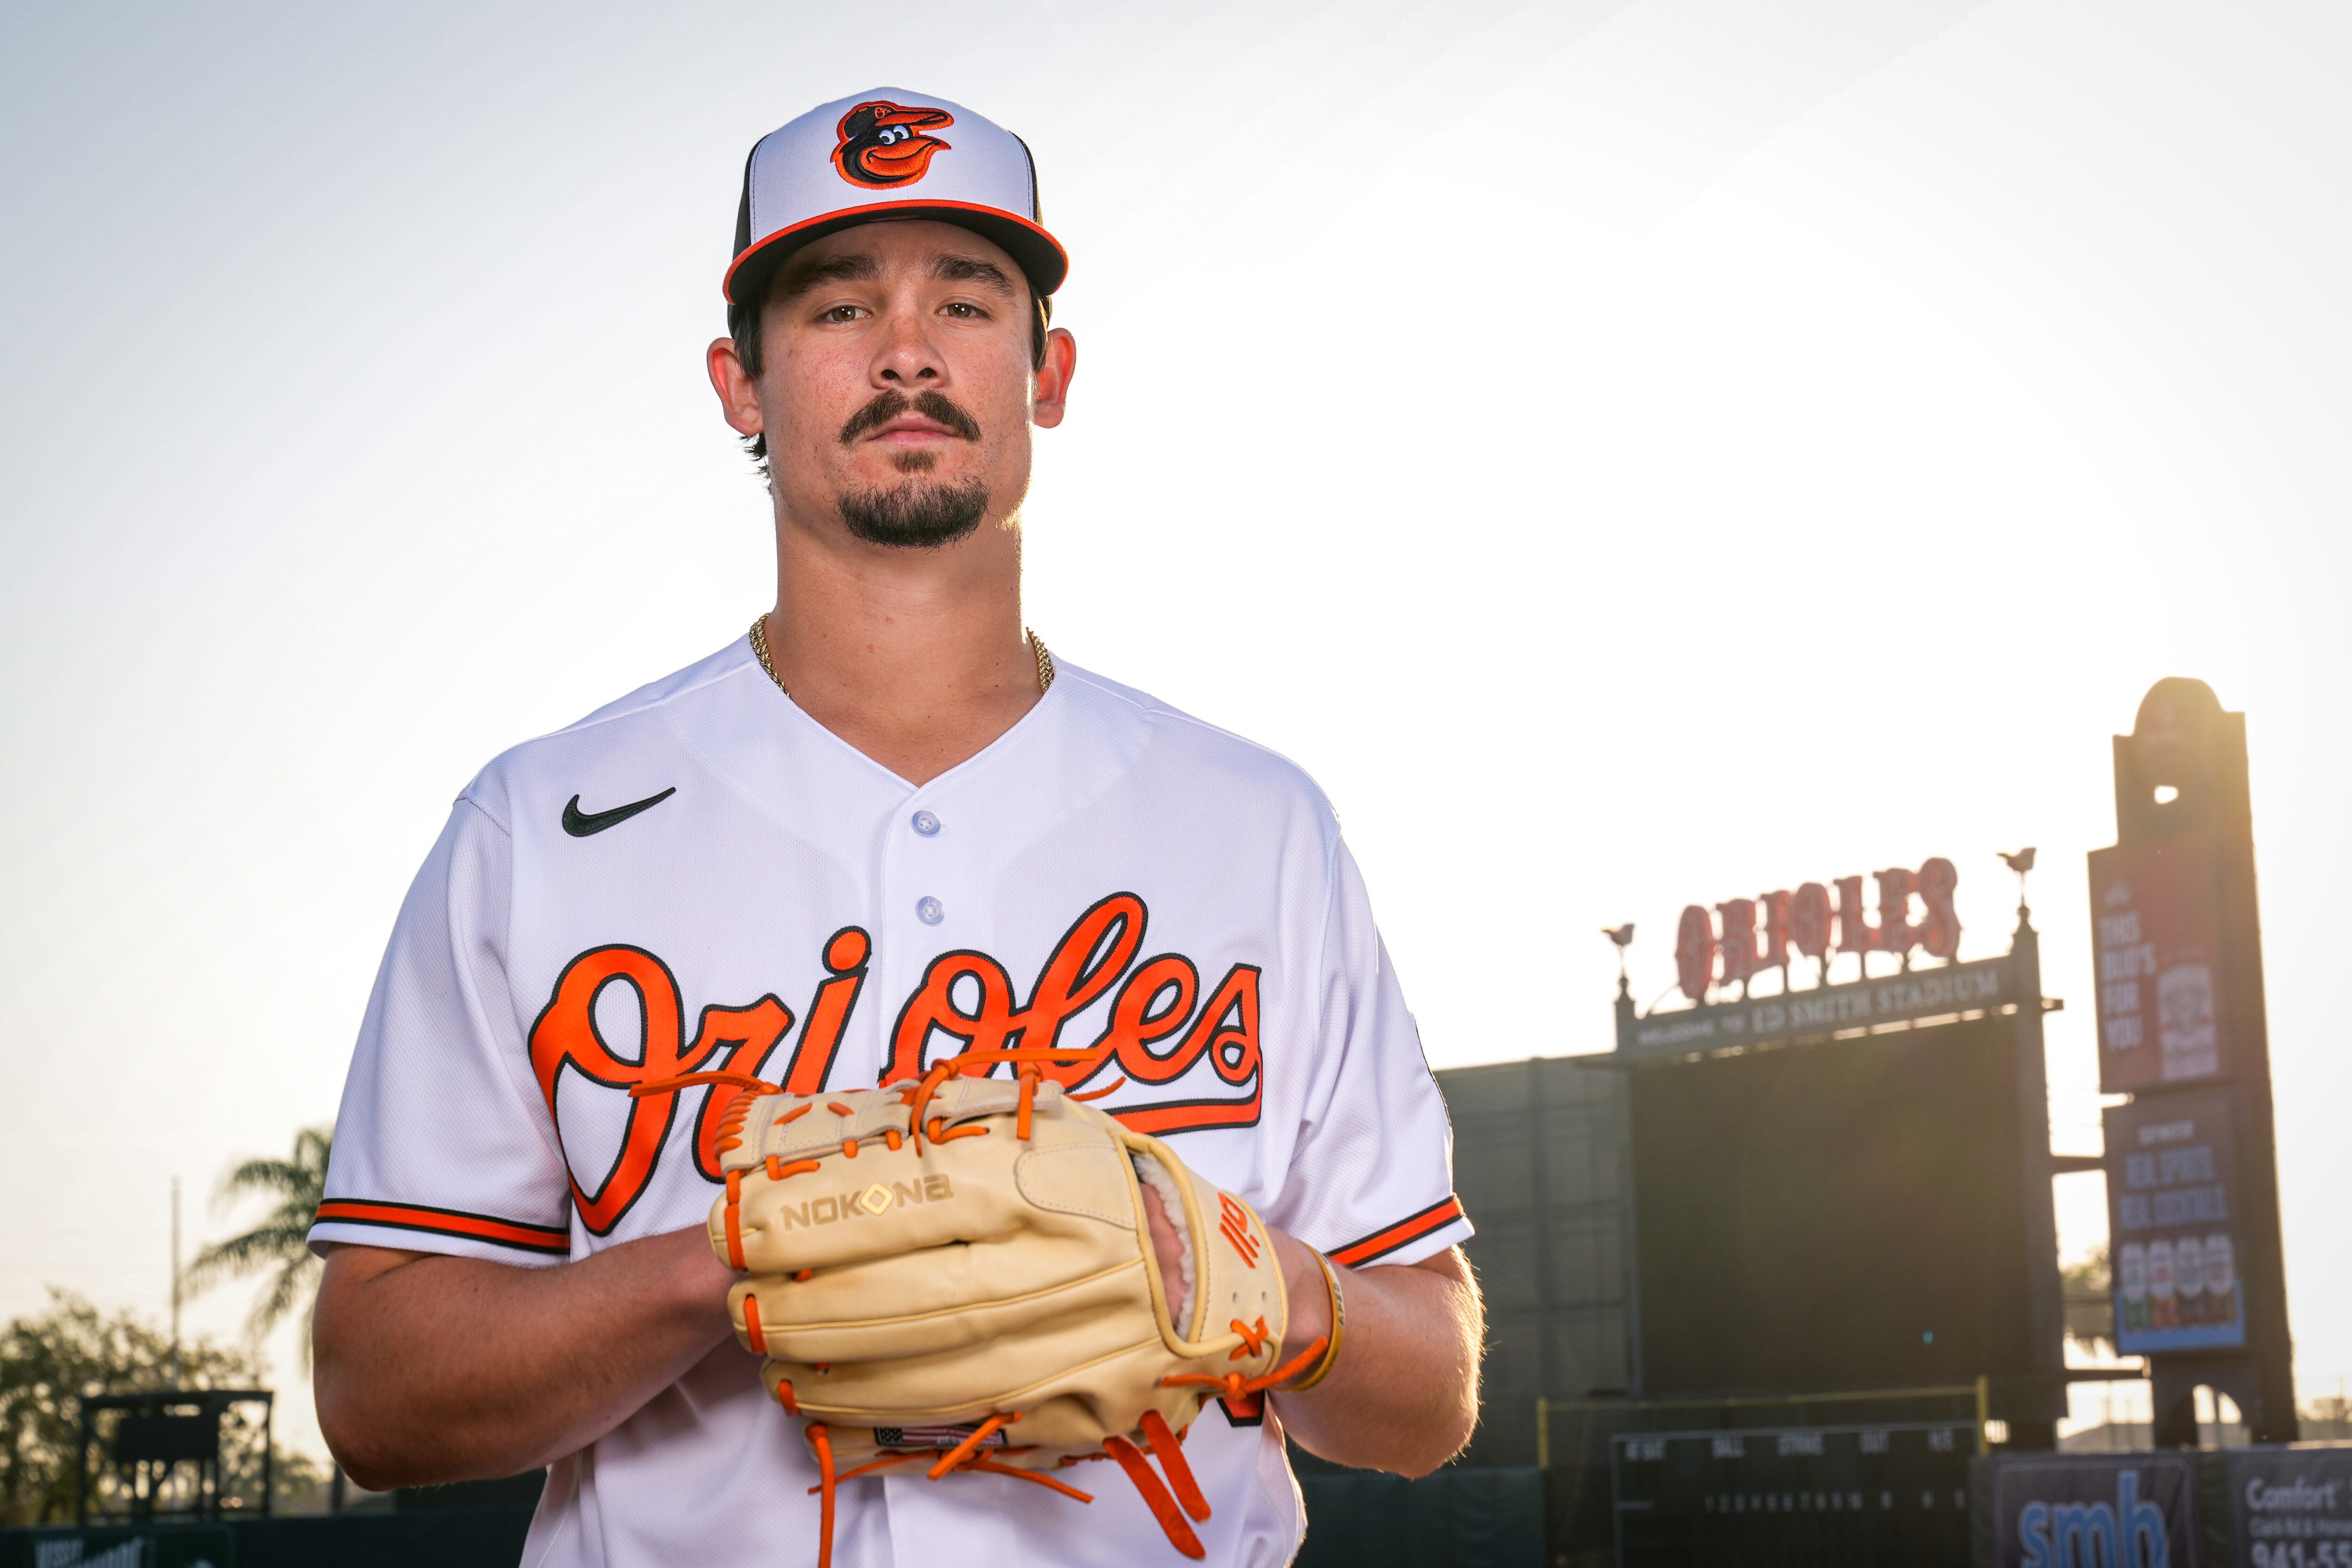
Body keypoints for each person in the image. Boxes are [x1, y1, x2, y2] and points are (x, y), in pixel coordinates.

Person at [308, 88, 1483, 1567]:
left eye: (967, 301)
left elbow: (1430, 1390)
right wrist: (726, 1265)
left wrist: (1251, 1282)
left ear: (1049, 372)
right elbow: (374, 1393)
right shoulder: (538, 827)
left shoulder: (1258, 825)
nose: (908, 351)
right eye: (840, 305)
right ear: (741, 381)